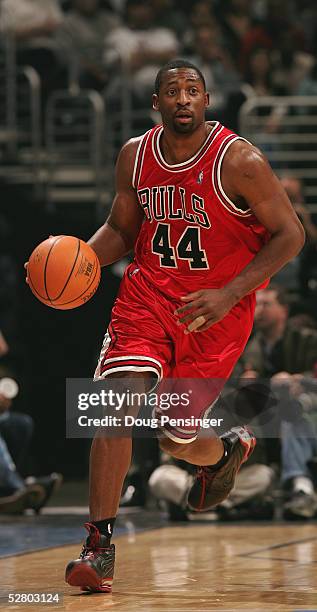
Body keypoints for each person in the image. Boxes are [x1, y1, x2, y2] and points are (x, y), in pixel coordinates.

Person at [31, 59, 304, 592]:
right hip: (148, 297)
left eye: (193, 90)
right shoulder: (135, 156)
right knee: (113, 403)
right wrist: (80, 261)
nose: (183, 98)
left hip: (213, 310)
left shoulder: (240, 160)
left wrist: (230, 293)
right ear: (156, 103)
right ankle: (98, 546)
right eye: (173, 91)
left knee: (176, 438)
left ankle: (225, 452)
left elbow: (290, 235)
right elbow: (119, 228)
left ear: (207, 101)